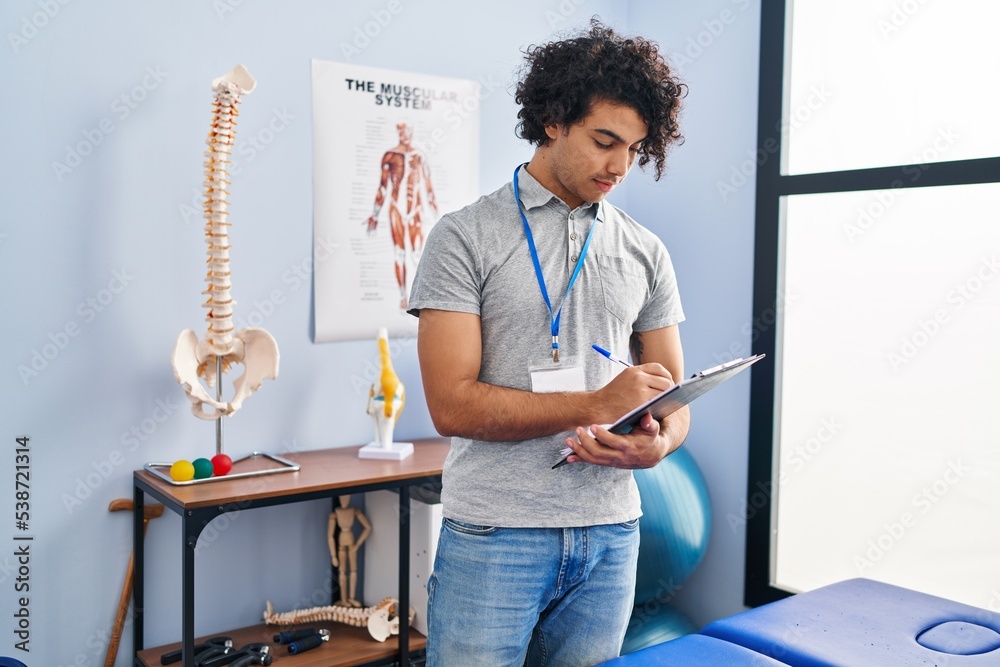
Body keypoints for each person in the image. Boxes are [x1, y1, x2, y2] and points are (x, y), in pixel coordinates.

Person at [407, 18, 689, 666]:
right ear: (553, 119)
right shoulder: (463, 237)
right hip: (495, 534)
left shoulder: (645, 250)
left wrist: (658, 444)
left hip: (612, 536)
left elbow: (673, 396)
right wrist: (593, 404)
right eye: (604, 141)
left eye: (634, 148)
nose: (619, 166)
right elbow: (451, 405)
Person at [366, 120, 439, 310]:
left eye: (408, 130)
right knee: (399, 254)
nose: (405, 133)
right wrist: (374, 215)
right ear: (398, 131)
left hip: (415, 209)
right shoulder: (390, 156)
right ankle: (402, 296)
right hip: (397, 209)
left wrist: (440, 220)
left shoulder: (419, 156)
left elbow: (429, 188)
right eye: (402, 130)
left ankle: (419, 299)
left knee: (417, 255)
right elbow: (382, 187)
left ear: (412, 131)